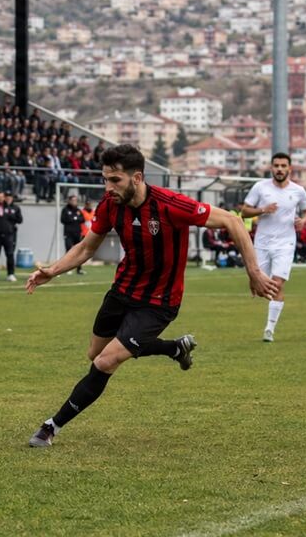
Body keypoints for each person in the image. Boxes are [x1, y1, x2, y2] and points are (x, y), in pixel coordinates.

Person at [25, 144, 279, 448]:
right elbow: (85, 248)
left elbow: (233, 221)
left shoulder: (171, 204)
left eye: (115, 180)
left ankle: (51, 427)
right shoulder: (110, 204)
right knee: (95, 353)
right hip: (122, 291)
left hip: (159, 302)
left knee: (105, 362)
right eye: (105, 179)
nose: (108, 187)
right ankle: (174, 349)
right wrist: (52, 271)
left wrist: (253, 271)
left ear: (137, 178)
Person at [241, 153, 306, 343]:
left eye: (283, 166)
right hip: (262, 243)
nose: (279, 169)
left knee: (277, 284)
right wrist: (263, 209)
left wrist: (303, 221)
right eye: (276, 166)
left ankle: (269, 329)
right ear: (271, 168)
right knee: (260, 286)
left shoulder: (298, 191)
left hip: (285, 243)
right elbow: (244, 211)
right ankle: (255, 282)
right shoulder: (260, 187)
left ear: (290, 168)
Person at [0, 191, 22, 282]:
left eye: (1, 196)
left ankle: (11, 274)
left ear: (4, 198)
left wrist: (10, 215)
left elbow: (19, 220)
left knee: (10, 254)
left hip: (8, 235)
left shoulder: (12, 208)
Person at [60, 193, 86, 275]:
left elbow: (82, 219)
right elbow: (63, 220)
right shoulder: (65, 210)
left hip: (77, 233)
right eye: (73, 200)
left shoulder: (78, 210)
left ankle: (79, 269)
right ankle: (67, 268)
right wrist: (75, 219)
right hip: (68, 233)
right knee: (69, 250)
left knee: (79, 251)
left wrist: (74, 218)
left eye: (76, 200)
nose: (75, 202)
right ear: (69, 201)